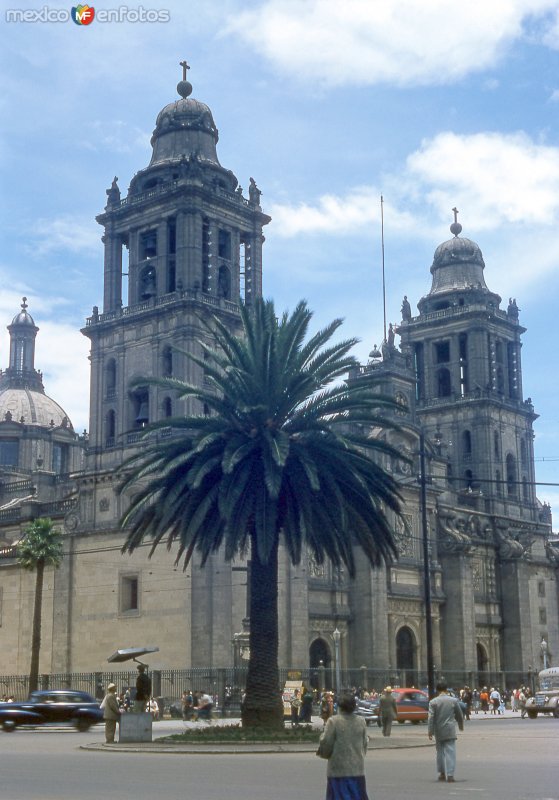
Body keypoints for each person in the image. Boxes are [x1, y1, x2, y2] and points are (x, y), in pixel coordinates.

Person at [317, 692, 369, 800]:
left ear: (339, 707)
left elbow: (326, 742)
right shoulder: (361, 721)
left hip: (338, 770)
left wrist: (324, 753)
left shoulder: (334, 721)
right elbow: (365, 743)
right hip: (357, 769)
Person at [428, 680, 464, 783]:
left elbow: (431, 718)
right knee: (450, 752)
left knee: (440, 752)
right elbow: (459, 715)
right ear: (446, 689)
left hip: (438, 730)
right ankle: (450, 774)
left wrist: (430, 731)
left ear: (437, 690)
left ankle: (441, 773)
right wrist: (461, 725)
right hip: (449, 729)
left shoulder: (433, 702)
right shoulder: (453, 700)